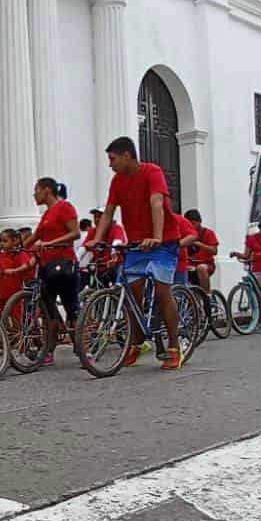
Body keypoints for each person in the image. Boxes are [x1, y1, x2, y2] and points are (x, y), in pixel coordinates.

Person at [85, 136, 183, 370]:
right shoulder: (117, 181)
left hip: (164, 241)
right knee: (131, 295)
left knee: (162, 291)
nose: (110, 164)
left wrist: (157, 237)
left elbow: (156, 203)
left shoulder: (152, 172)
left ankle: (174, 345)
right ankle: (136, 343)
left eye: (112, 159)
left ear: (127, 155)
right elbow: (108, 212)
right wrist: (97, 240)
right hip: (138, 244)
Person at [25, 178, 80, 366]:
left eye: (36, 190)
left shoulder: (65, 207)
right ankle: (48, 351)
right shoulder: (47, 214)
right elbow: (35, 237)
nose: (34, 195)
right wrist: (16, 250)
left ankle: (82, 349)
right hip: (46, 267)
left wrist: (49, 243)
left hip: (64, 264)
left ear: (47, 190)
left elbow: (75, 233)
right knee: (48, 310)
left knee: (72, 308)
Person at [184, 209, 219, 295]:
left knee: (201, 268)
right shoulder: (185, 234)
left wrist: (199, 244)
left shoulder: (208, 233)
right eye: (189, 224)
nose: (191, 226)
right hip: (189, 264)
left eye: (193, 223)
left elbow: (214, 251)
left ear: (199, 222)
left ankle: (207, 295)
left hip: (206, 264)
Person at [172, 210, 199, 286]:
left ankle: (207, 293)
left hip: (178, 263)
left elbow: (192, 236)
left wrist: (176, 245)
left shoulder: (178, 219)